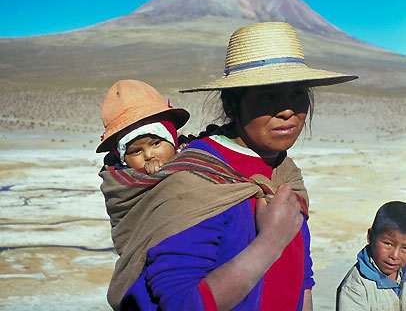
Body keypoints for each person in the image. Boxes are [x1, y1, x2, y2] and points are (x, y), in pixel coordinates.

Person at [99, 22, 358, 311]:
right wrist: (270, 243)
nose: (287, 110)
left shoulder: (285, 171)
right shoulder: (195, 181)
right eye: (268, 95)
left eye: (297, 93)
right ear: (231, 104)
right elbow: (182, 304)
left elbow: (302, 279)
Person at [96, 79, 190, 174]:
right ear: (123, 158)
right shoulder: (119, 178)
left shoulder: (191, 153)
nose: (148, 156)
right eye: (136, 151)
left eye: (156, 143)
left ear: (173, 140)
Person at [336, 201, 406, 310]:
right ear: (370, 237)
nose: (395, 255)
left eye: (405, 248)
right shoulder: (355, 289)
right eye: (388, 244)